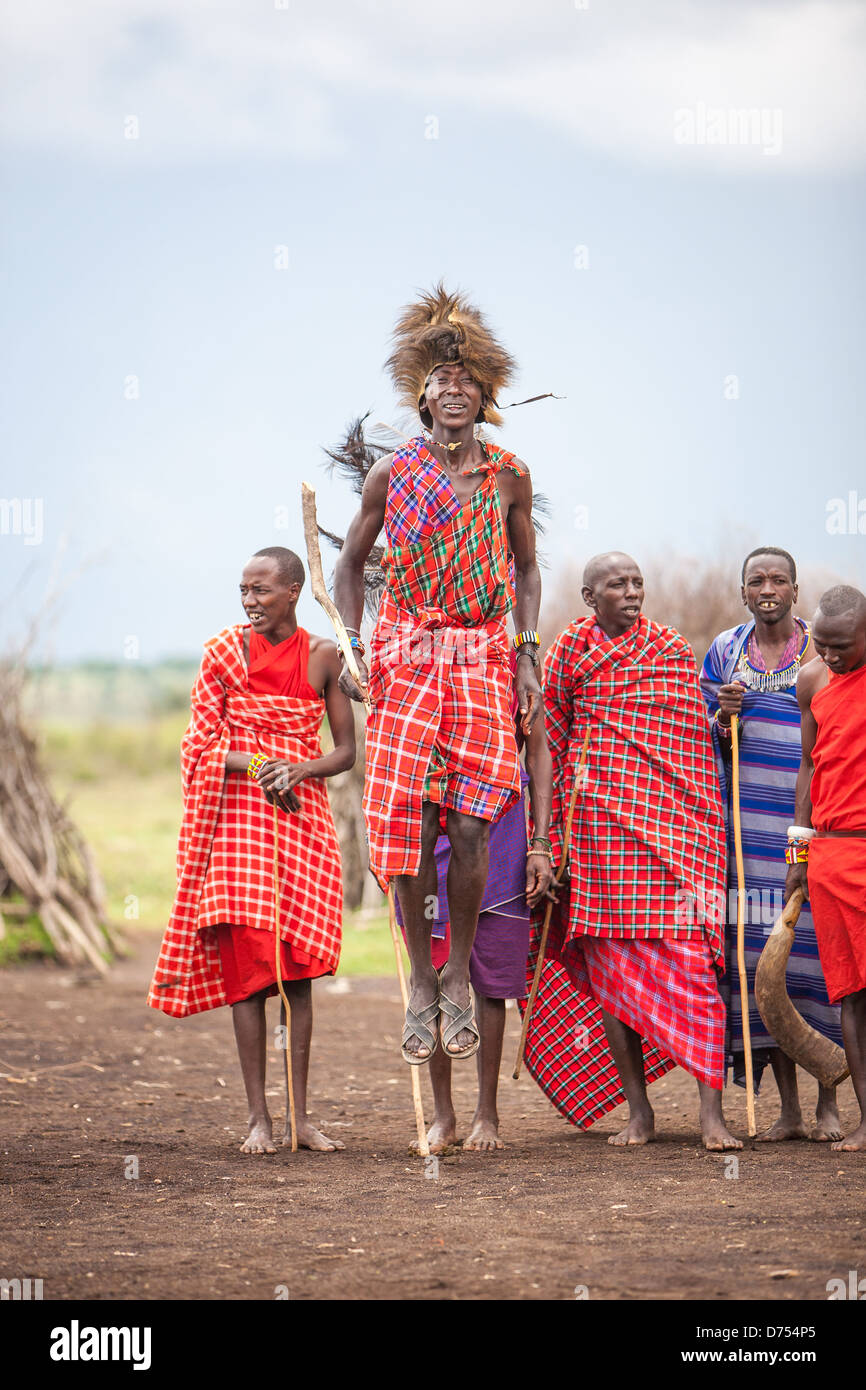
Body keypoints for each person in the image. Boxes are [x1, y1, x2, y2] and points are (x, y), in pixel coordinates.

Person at [333, 284, 551, 1065]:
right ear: (422, 399)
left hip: (484, 655)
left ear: (485, 399)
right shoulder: (392, 475)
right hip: (406, 654)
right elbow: (351, 565)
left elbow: (527, 571)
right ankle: (422, 983)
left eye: (468, 385)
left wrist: (526, 652)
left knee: (468, 823)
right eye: (441, 384)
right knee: (406, 824)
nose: (454, 392)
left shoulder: (508, 476)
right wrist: (355, 645)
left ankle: (458, 972)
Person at [523, 552, 741, 1150]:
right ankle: (639, 1112)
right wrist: (553, 834)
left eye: (638, 582)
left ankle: (711, 1115)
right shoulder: (568, 650)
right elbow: (553, 737)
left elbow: (693, 737)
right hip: (600, 833)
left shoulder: (671, 649)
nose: (632, 591)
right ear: (591, 598)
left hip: (675, 831)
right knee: (612, 975)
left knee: (694, 966)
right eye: (617, 585)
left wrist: (725, 720)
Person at [147, 547, 356, 1154]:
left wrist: (301, 769)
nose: (249, 602)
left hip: (302, 826)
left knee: (301, 972)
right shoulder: (222, 653)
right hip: (237, 824)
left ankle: (299, 1119)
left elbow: (344, 753)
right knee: (249, 979)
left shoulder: (324, 656)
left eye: (261, 590)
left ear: (294, 590)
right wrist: (262, 763)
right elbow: (198, 748)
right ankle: (258, 1120)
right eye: (243, 591)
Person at [701, 547, 842, 1141]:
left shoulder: (824, 648)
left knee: (816, 960)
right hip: (745, 835)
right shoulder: (725, 651)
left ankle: (829, 1103)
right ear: (742, 591)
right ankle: (786, 1107)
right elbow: (705, 740)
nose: (767, 588)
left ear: (795, 589)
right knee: (762, 964)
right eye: (755, 580)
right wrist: (723, 716)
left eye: (778, 580)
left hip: (811, 819)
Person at [394, 657, 554, 1152]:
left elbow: (539, 756)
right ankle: (443, 1116)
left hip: (502, 834)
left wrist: (540, 843)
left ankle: (488, 1114)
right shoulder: (406, 667)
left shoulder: (511, 667)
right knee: (438, 971)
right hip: (429, 838)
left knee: (490, 982)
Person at [786, 584, 866, 1152]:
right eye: (822, 644)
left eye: (843, 646)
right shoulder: (811, 680)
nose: (831, 656)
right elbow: (809, 772)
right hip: (833, 856)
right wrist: (798, 856)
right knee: (852, 996)